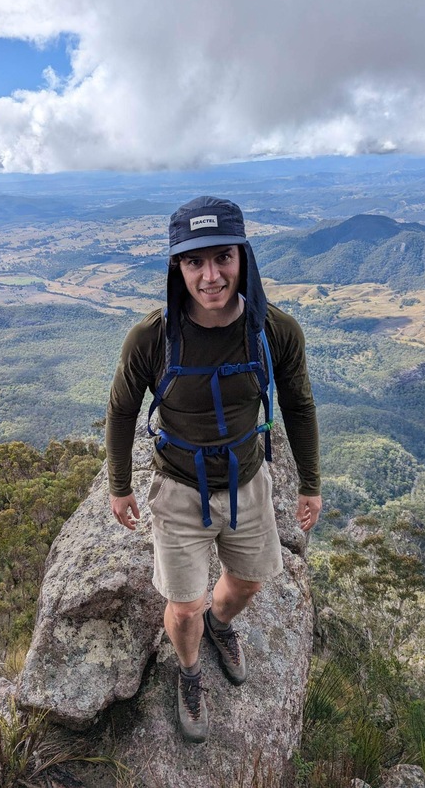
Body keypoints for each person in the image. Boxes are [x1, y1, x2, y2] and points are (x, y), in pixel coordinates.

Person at [106, 196, 321, 744]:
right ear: (176, 268)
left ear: (243, 256)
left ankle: (221, 627)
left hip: (248, 481)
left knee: (247, 584)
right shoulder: (152, 339)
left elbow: (298, 405)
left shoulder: (274, 331)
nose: (211, 276)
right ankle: (190, 669)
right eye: (194, 262)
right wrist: (120, 486)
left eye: (222, 257)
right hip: (179, 487)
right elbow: (122, 409)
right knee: (183, 609)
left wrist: (311, 486)